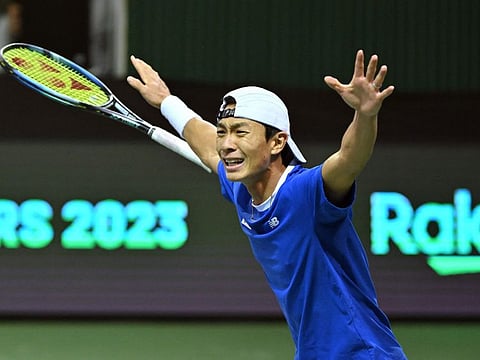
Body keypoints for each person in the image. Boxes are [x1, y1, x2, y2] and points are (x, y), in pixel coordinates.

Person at [127, 50, 407, 359]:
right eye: (224, 132)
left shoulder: (305, 192)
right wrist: (166, 101)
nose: (227, 143)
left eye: (240, 132)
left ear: (277, 142)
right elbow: (205, 142)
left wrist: (365, 115)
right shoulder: (241, 188)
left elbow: (349, 158)